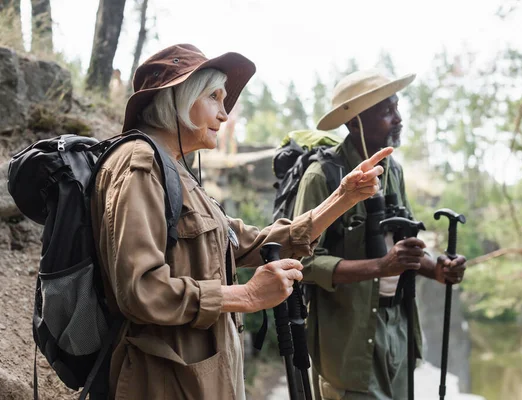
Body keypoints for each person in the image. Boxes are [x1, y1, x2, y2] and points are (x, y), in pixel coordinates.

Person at [89, 44, 394, 400]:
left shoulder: (177, 173)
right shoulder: (139, 165)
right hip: (161, 381)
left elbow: (252, 243)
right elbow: (141, 290)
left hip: (197, 379)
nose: (224, 114)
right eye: (215, 98)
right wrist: (246, 295)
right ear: (177, 100)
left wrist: (344, 197)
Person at [293, 69, 468, 400]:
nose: (398, 118)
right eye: (387, 111)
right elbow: (302, 264)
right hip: (347, 340)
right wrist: (379, 267)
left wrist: (438, 269)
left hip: (397, 331)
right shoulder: (321, 177)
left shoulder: (393, 172)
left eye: (397, 107)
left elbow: (404, 250)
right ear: (354, 122)